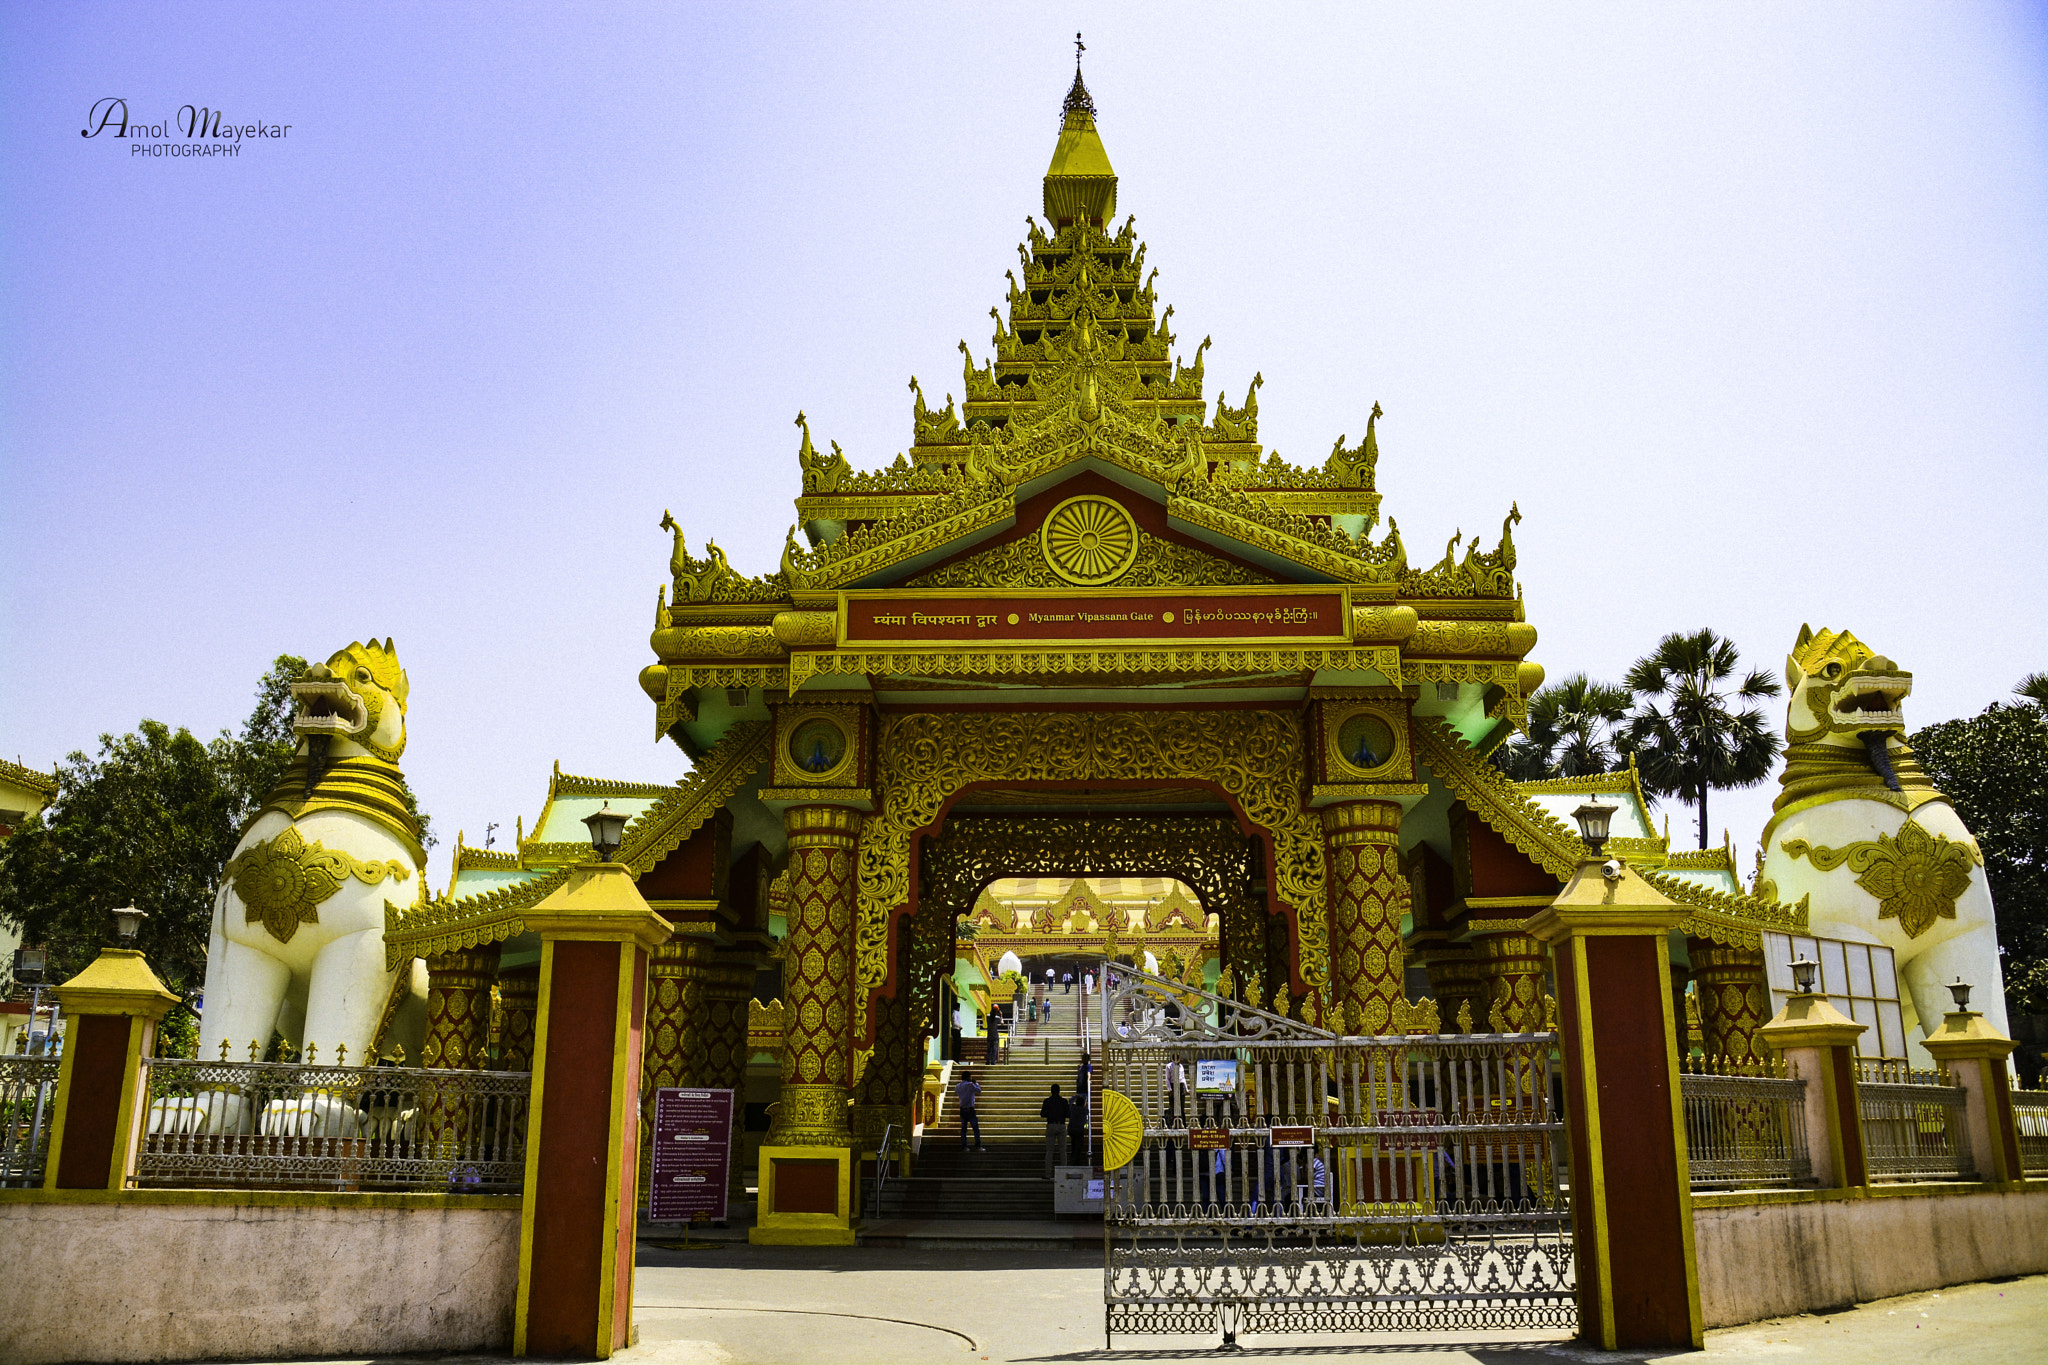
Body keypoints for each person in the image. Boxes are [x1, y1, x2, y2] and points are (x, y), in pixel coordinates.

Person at [1040, 1083, 1071, 1178]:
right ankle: (1063, 1173)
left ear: (1051, 1091)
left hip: (1051, 1125)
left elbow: (1042, 1114)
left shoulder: (1047, 1101)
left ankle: (1048, 1173)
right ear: (1059, 1091)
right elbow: (1068, 1114)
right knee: (1063, 1151)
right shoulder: (1064, 1101)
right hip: (1061, 1125)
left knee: (1049, 1151)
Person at [956, 1071, 985, 1151]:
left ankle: (965, 1146)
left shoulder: (957, 1086)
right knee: (975, 1128)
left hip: (962, 1109)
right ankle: (978, 1146)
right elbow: (979, 1090)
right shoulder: (970, 1085)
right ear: (968, 1077)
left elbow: (957, 1093)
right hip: (970, 1109)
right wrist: (976, 1083)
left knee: (964, 1128)